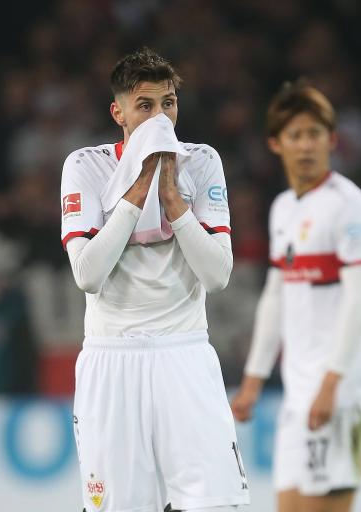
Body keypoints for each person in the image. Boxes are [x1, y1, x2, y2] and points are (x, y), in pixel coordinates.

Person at [61, 48, 250, 512]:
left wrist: (175, 203)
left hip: (183, 352)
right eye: (145, 105)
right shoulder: (86, 166)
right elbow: (87, 275)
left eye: (168, 103)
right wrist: (141, 184)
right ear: (118, 112)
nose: (160, 116)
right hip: (112, 358)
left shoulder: (201, 161)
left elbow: (218, 275)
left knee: (216, 505)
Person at [230, 81, 361, 512]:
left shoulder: (349, 206)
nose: (306, 146)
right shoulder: (283, 208)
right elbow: (275, 298)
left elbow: (360, 301)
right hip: (299, 397)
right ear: (276, 144)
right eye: (295, 135)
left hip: (342, 391)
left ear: (332, 140)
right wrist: (254, 380)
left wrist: (332, 384)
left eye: (315, 134)